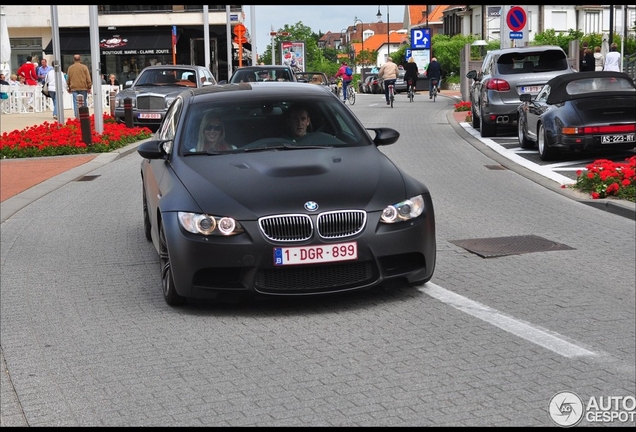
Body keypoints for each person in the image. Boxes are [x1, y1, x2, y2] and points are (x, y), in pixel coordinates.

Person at [66, 54, 92, 118]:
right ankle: (84, 114)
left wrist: (69, 87)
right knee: (83, 101)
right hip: (83, 87)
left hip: (74, 87)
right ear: (80, 59)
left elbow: (68, 78)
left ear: (73, 60)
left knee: (76, 102)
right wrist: (89, 87)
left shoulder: (70, 68)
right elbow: (88, 78)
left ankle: (77, 115)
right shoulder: (84, 67)